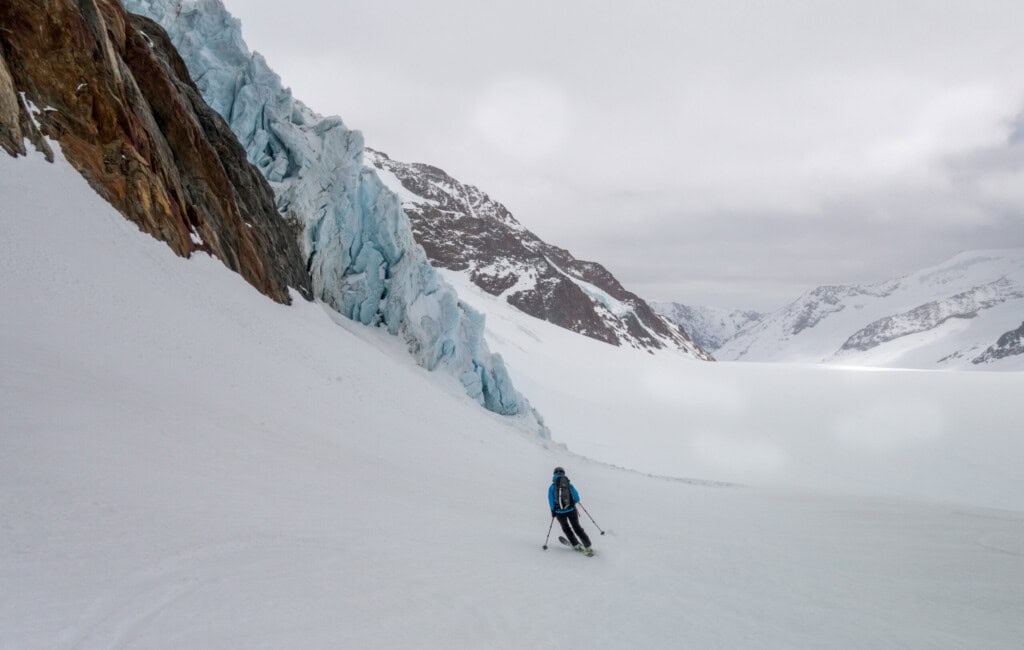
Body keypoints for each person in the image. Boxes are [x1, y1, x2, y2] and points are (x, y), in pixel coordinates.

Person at [548, 466, 593, 555]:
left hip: (559, 512)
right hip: (571, 510)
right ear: (563, 473)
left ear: (554, 474)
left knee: (566, 528)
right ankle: (587, 545)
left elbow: (550, 500)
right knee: (577, 527)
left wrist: (553, 511)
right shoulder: (569, 485)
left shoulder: (552, 487)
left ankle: (575, 544)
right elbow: (576, 498)